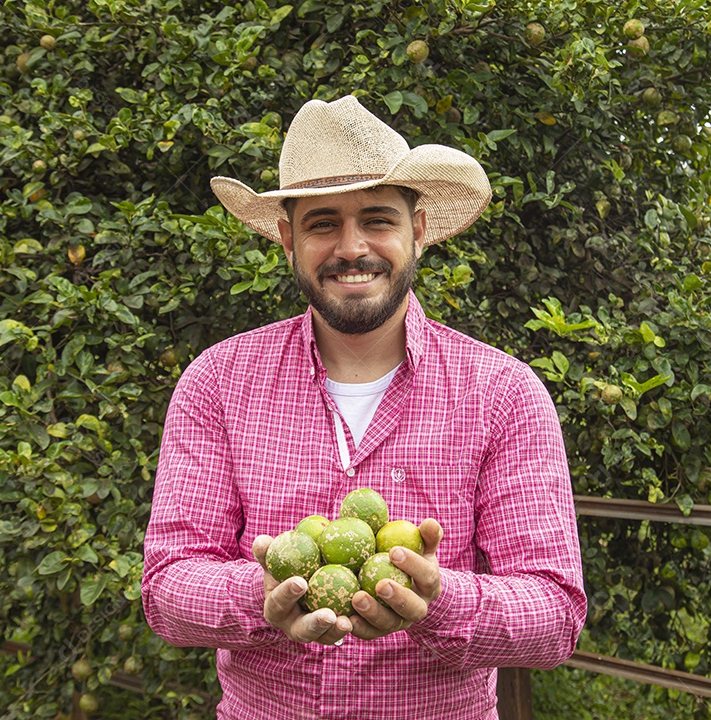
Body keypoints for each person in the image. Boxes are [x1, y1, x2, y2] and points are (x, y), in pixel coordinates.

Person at [142, 95, 587, 720]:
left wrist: (440, 600)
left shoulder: (503, 395)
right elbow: (165, 589)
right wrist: (262, 594)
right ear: (287, 238)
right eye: (323, 223)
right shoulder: (217, 383)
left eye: (377, 219)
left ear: (419, 231)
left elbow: (556, 616)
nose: (352, 247)